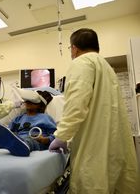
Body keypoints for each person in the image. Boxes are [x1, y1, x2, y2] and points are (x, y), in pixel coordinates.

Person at [48, 28, 139, 193]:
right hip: (113, 142)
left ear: (74, 48)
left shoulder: (81, 62)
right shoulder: (106, 67)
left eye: (70, 49)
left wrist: (61, 136)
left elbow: (76, 105)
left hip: (94, 147)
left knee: (92, 184)